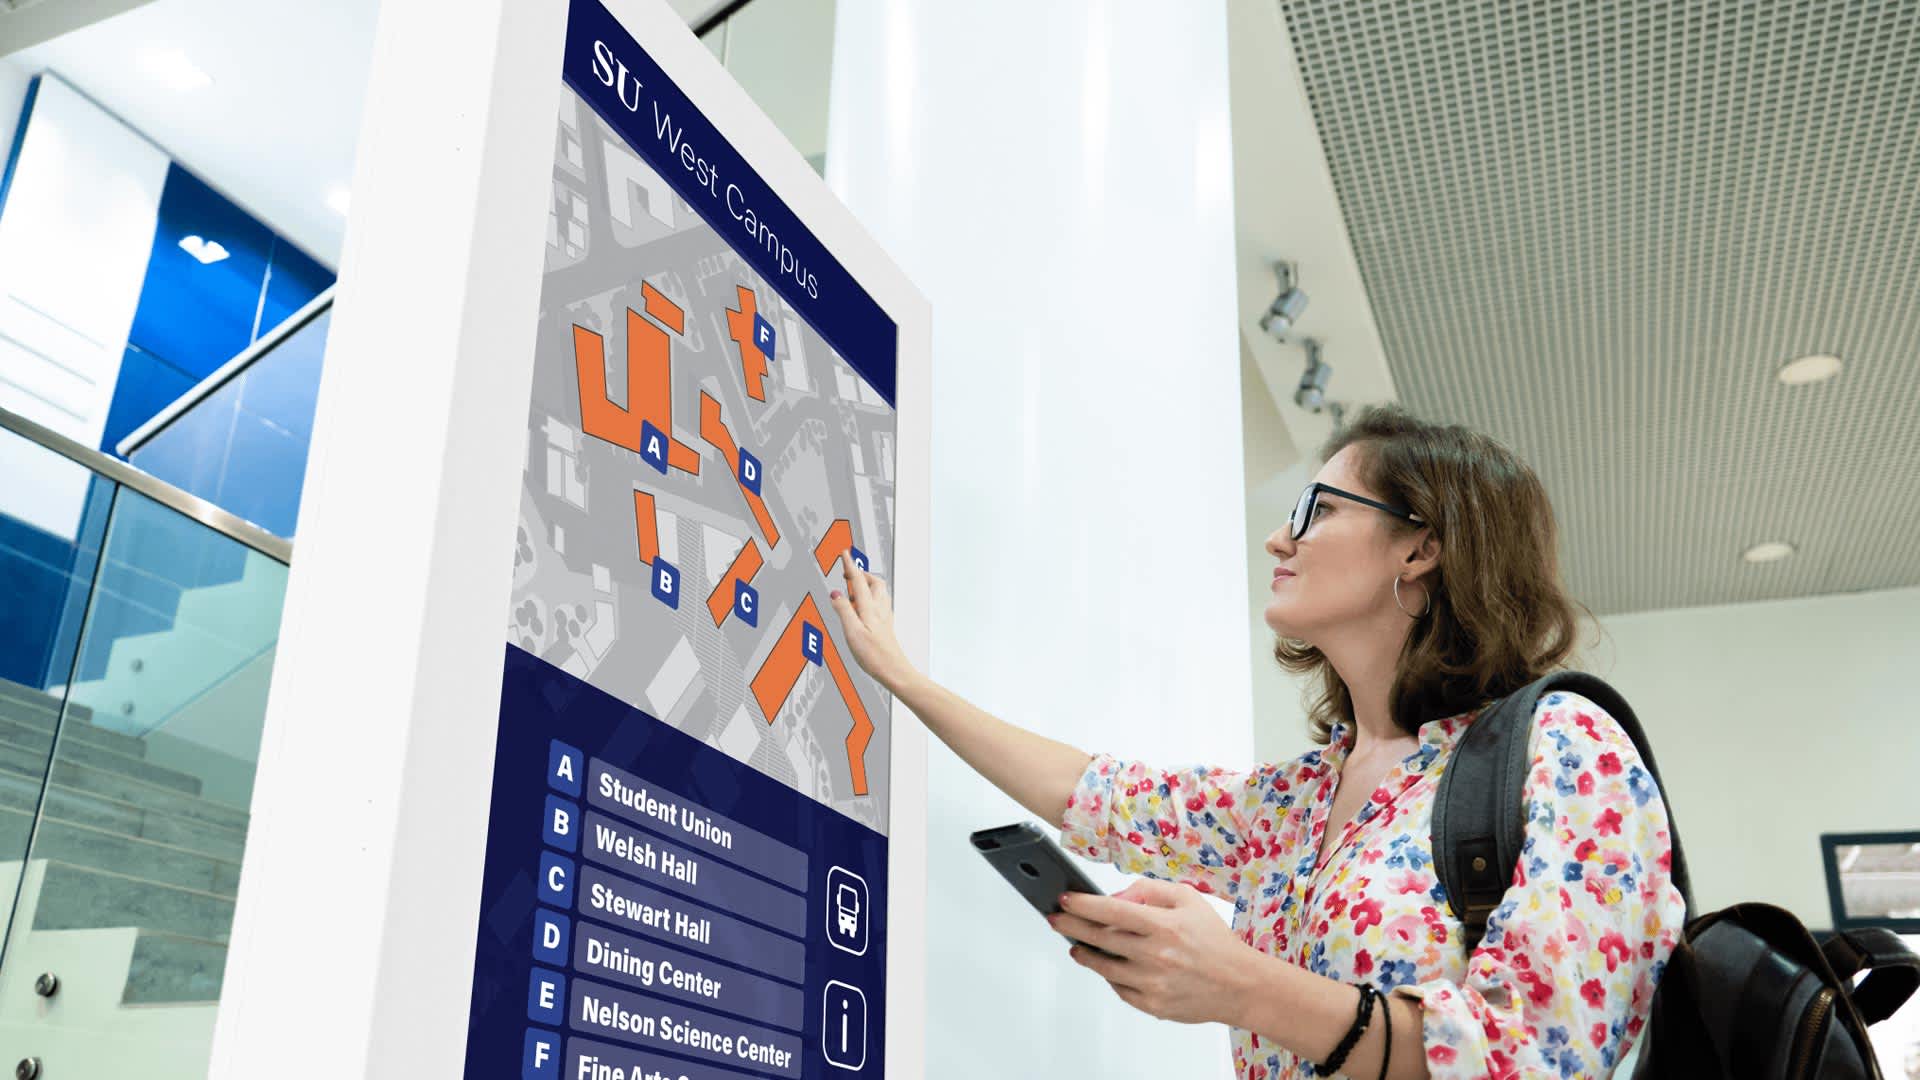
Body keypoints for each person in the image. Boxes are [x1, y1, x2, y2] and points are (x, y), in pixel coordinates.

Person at [829, 405, 1686, 1080]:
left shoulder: (1566, 748)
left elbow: (1534, 1055)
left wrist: (1237, 983)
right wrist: (905, 680)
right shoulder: (1291, 801)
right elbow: (1093, 793)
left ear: (1421, 546)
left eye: (1317, 510)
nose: (1280, 537)